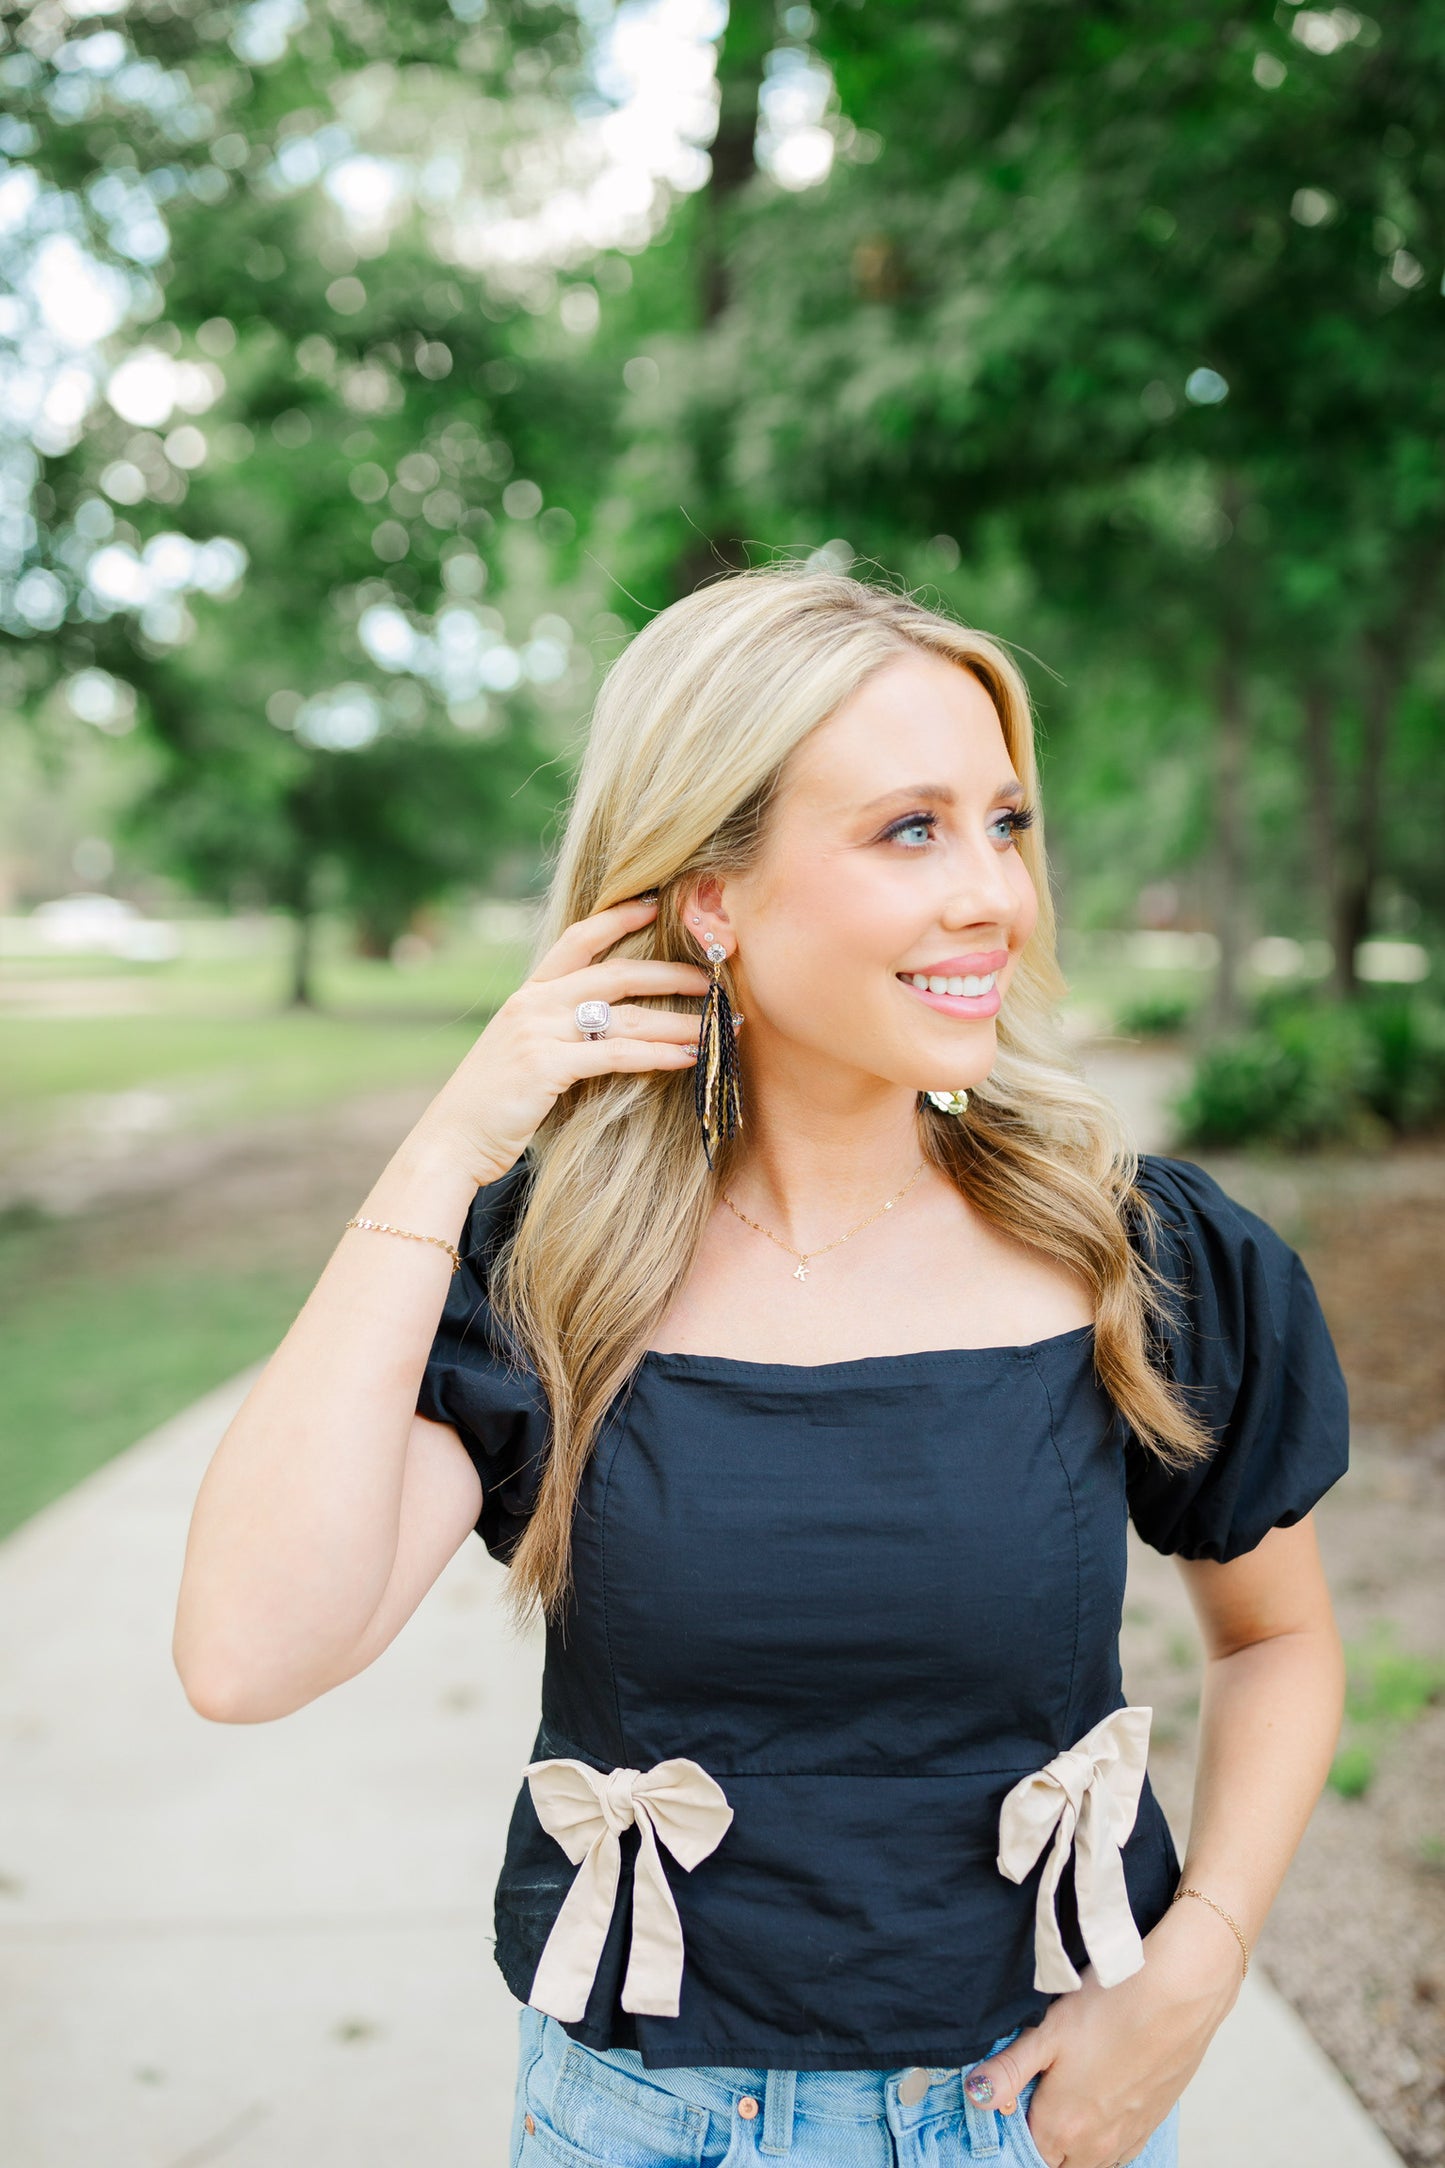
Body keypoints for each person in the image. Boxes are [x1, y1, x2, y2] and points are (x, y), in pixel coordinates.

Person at [174, 563, 1352, 2168]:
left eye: (1002, 824)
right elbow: (248, 1655)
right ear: (709, 900)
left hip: (1019, 2118)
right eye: (907, 830)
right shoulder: (548, 1277)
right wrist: (449, 1146)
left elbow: (1276, 1639)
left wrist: (1198, 1963)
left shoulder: (1138, 1254)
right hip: (636, 2121)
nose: (994, 896)